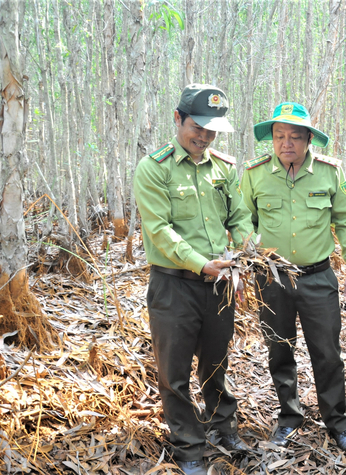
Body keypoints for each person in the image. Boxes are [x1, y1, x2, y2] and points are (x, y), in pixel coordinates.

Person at [134, 84, 253, 475]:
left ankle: (223, 427)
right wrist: (201, 263)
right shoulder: (154, 168)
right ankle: (188, 445)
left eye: (212, 130)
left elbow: (238, 216)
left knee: (217, 362)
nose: (203, 136)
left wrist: (247, 245)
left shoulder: (224, 167)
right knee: (175, 370)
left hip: (219, 284)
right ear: (178, 119)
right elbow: (159, 231)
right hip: (174, 285)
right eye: (197, 127)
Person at [240, 102, 346, 452]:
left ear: (309, 139)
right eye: (279, 136)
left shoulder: (329, 172)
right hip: (272, 279)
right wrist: (249, 255)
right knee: (279, 351)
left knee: (327, 352)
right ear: (272, 139)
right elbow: (242, 221)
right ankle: (289, 416)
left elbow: (345, 224)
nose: (286, 143)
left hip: (317, 278)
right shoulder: (255, 174)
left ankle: (337, 421)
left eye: (295, 136)